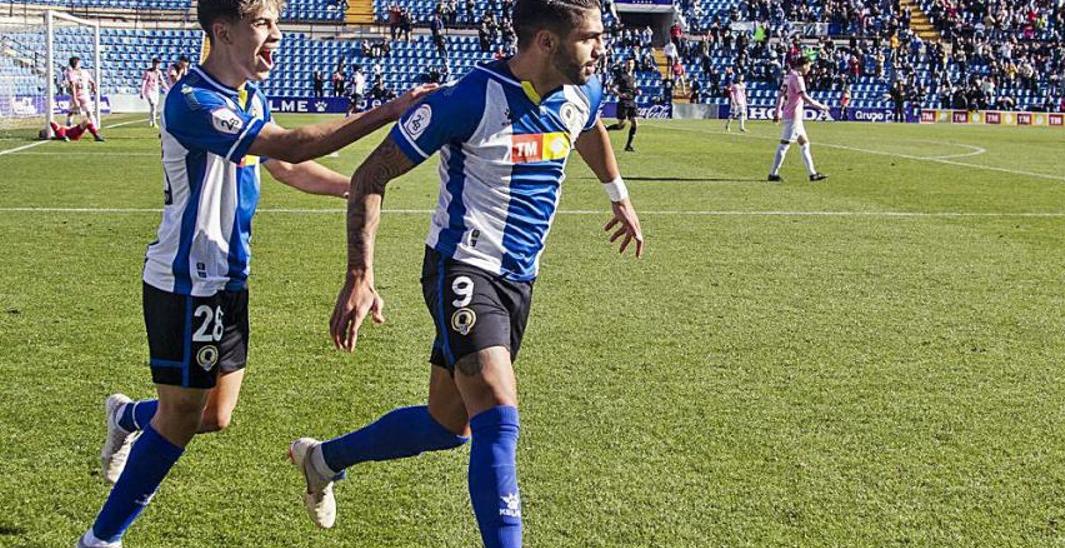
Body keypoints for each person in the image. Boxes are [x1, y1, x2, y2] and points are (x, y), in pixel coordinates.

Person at [285, 1, 644, 546]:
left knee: (446, 425)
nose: (602, 49)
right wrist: (361, 273)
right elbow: (371, 174)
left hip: (520, 278)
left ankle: (323, 459)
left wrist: (617, 195)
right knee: (498, 409)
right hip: (463, 267)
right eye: (590, 38)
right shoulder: (468, 99)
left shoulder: (582, 89)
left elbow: (589, 128)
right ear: (546, 43)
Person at [76, 1, 432, 546]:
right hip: (186, 279)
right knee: (178, 418)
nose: (276, 36)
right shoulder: (193, 101)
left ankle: (127, 417)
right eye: (263, 25)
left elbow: (285, 166)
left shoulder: (247, 95)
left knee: (213, 415)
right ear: (223, 32)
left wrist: (350, 186)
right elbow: (287, 144)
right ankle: (102, 538)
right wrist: (388, 112)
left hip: (230, 278)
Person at [768, 56, 827, 182]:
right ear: (804, 65)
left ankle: (812, 174)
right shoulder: (797, 78)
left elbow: (780, 95)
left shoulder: (788, 76)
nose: (809, 69)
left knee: (805, 144)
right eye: (809, 66)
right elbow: (804, 97)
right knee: (784, 145)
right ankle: (773, 174)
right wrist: (821, 106)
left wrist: (778, 112)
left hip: (794, 117)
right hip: (793, 117)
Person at [606, 58, 639, 151]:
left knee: (635, 123)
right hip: (623, 102)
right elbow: (611, 87)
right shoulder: (621, 75)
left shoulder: (633, 76)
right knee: (621, 126)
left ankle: (628, 146)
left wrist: (637, 91)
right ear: (625, 64)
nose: (630, 65)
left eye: (631, 63)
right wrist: (620, 94)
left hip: (632, 101)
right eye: (628, 63)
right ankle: (606, 129)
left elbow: (634, 88)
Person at [63, 56, 98, 128]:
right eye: (79, 62)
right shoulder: (75, 73)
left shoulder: (74, 73)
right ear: (77, 63)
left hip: (80, 95)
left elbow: (92, 82)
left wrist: (93, 88)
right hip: (82, 95)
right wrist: (93, 89)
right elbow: (92, 82)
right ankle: (95, 127)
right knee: (84, 112)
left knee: (74, 112)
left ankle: (68, 126)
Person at [140, 57, 169, 127]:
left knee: (154, 106)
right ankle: (154, 123)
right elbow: (144, 82)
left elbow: (162, 82)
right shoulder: (148, 72)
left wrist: (168, 89)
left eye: (158, 64)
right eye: (155, 63)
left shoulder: (159, 72)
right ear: (153, 63)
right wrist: (142, 92)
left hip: (155, 90)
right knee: (153, 105)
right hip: (149, 90)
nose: (156, 65)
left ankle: (151, 120)